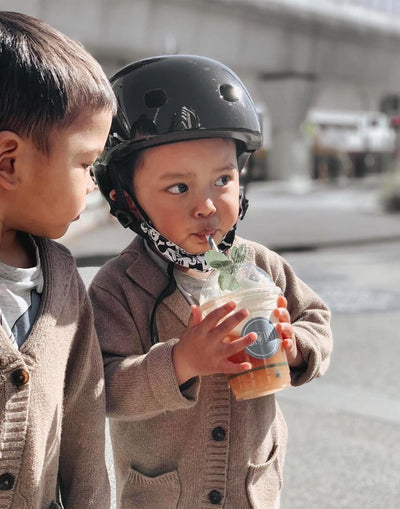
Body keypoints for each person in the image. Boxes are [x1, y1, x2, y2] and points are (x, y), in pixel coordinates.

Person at [89, 54, 333, 509]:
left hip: (251, 490)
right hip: (165, 496)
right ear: (126, 198)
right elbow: (101, 388)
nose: (206, 206)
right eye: (178, 188)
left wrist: (297, 345)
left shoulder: (260, 263)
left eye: (222, 179)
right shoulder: (119, 286)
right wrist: (181, 361)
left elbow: (316, 318)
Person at [0, 11, 116, 509]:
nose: (93, 184)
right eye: (86, 164)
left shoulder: (65, 281)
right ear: (9, 161)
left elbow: (84, 430)